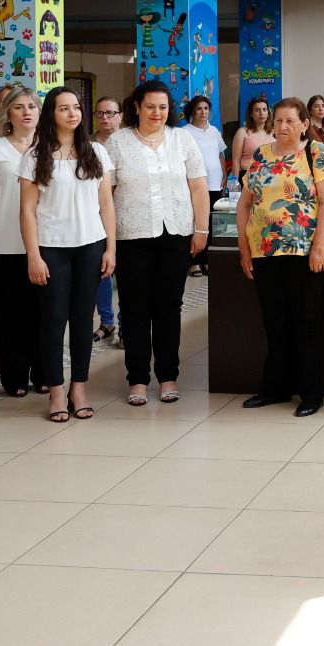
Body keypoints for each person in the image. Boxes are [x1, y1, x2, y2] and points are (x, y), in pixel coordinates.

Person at [106, 82, 208, 406]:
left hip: (175, 234)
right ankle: (137, 379)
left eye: (163, 107)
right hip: (130, 237)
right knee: (134, 309)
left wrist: (201, 230)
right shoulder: (117, 142)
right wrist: (107, 240)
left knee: (168, 308)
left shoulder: (182, 139)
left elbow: (198, 187)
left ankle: (168, 376)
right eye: (150, 106)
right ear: (136, 107)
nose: (157, 113)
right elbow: (106, 194)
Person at [19, 86, 115, 422]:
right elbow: (27, 211)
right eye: (64, 108)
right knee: (53, 319)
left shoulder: (96, 152)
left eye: (76, 107)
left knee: (83, 319)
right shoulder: (35, 157)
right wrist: (33, 255)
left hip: (90, 245)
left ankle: (79, 388)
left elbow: (106, 205)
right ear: (51, 114)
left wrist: (111, 248)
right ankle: (56, 391)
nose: (73, 113)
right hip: (51, 247)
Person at [237, 97, 324, 417]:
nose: (282, 126)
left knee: (306, 321)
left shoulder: (315, 152)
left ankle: (312, 393)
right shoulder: (261, 154)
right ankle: (276, 387)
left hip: (303, 250)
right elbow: (245, 203)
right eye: (278, 120)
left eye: (290, 121)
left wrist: (319, 246)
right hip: (264, 250)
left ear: (304, 124)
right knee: (275, 321)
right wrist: (244, 246)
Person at [0, 85, 44, 396]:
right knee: (10, 314)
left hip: (46, 244)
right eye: (19, 107)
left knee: (43, 314)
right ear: (7, 114)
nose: (26, 112)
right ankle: (14, 376)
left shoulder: (50, 147)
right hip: (5, 244)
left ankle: (44, 374)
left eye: (32, 106)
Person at [182, 95, 229, 277]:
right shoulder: (185, 132)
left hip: (215, 182)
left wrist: (224, 175)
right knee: (196, 222)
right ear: (192, 111)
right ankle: (194, 261)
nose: (203, 112)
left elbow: (220, 155)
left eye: (206, 108)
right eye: (199, 109)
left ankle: (208, 259)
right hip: (194, 183)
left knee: (211, 222)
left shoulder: (214, 130)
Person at [91, 96, 122, 341]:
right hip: (95, 219)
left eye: (110, 113)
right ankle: (107, 321)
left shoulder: (128, 141)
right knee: (102, 273)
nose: (105, 118)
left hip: (126, 217)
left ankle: (125, 323)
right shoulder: (86, 144)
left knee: (126, 276)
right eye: (100, 113)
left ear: (120, 116)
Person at [231, 96, 273, 175]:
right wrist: (235, 180)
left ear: (268, 113)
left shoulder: (274, 133)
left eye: (264, 109)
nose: (261, 113)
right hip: (247, 176)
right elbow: (236, 161)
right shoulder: (242, 132)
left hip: (270, 176)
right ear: (251, 114)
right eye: (257, 110)